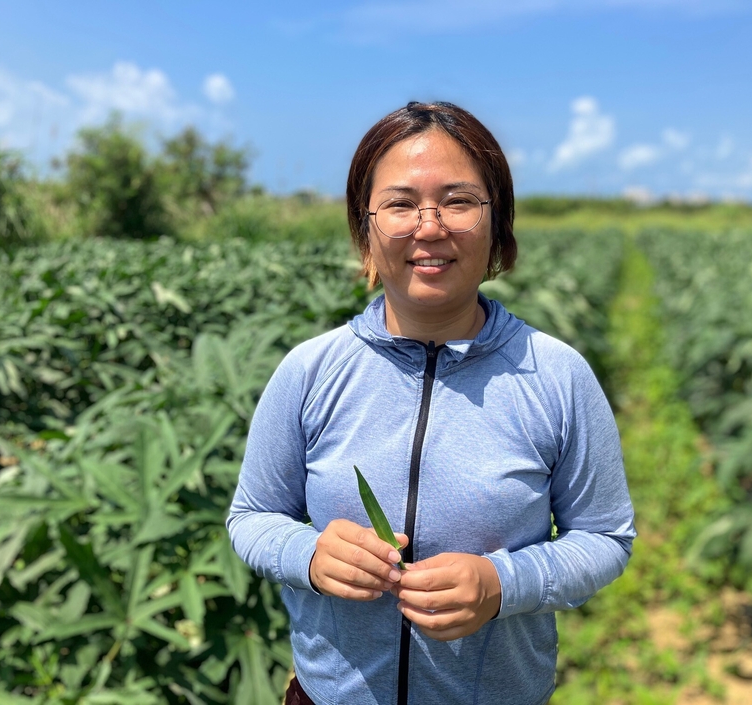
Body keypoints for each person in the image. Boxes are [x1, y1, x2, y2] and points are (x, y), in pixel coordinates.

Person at [227, 101, 636, 705]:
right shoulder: (309, 371)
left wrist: (502, 582)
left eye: (459, 200)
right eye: (399, 203)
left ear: (498, 225)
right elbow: (251, 518)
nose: (430, 225)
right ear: (365, 230)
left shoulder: (556, 375)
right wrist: (309, 555)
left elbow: (606, 538)